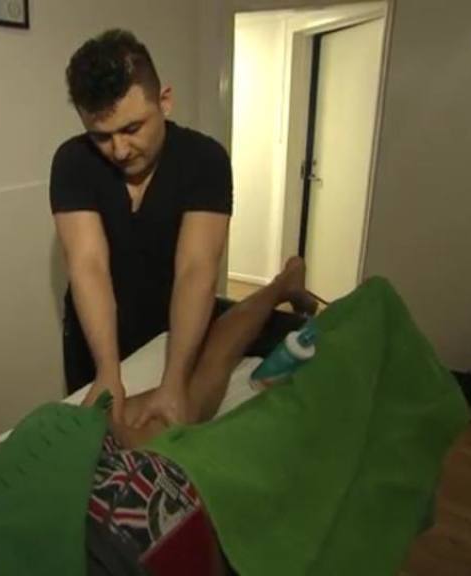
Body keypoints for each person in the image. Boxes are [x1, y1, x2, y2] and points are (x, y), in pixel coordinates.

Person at [51, 29, 264, 427]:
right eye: (101, 136)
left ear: (164, 101)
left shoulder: (205, 160)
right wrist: (108, 372)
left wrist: (175, 379)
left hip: (174, 333)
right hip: (94, 338)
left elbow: (197, 268)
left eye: (132, 129)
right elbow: (87, 265)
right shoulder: (72, 162)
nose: (119, 150)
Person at [85, 256, 317, 574]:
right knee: (201, 391)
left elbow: (198, 265)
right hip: (100, 487)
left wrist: (162, 380)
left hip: (71, 456)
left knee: (193, 395)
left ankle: (282, 284)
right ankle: (283, 284)